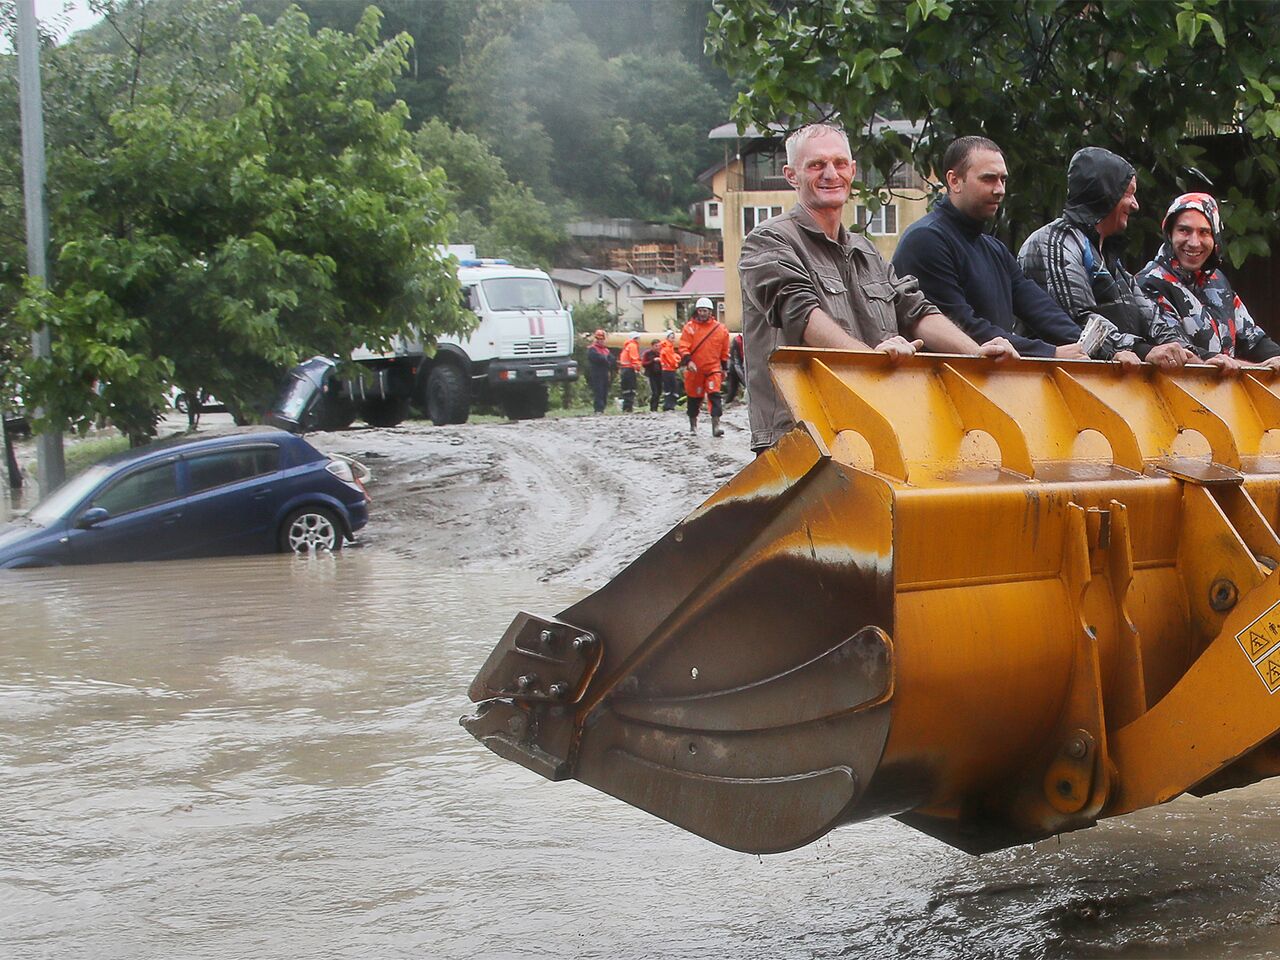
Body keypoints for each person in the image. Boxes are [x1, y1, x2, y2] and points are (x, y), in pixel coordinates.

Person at [739, 123, 1017, 453]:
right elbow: (800, 314)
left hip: (868, 432)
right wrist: (870, 360)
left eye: (840, 163)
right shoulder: (767, 242)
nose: (831, 174)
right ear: (791, 175)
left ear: (853, 171)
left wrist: (974, 352)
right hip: (799, 439)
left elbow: (915, 311)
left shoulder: (866, 251)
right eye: (816, 165)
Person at [892, 136, 1097, 362]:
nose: (999, 190)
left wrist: (1090, 347)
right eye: (988, 179)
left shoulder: (993, 248)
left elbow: (1040, 308)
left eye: (1003, 180)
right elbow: (960, 326)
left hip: (991, 384)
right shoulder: (925, 240)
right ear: (954, 181)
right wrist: (1050, 353)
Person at [1019, 147, 1189, 370]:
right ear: (1105, 193)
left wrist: (1191, 354)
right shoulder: (1055, 242)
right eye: (1128, 193)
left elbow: (1151, 316)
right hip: (1055, 384)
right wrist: (1142, 351)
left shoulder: (1107, 256)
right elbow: (1077, 321)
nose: (1136, 204)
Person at [1136, 193, 1280, 372]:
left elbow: (1254, 338)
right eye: (1184, 230)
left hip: (1226, 392)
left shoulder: (1217, 280)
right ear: (1169, 233)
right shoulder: (1149, 283)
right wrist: (1259, 368)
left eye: (1204, 232)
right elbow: (1183, 353)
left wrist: (1276, 359)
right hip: (1178, 392)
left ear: (1215, 237)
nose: (1194, 242)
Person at [678, 297, 731, 436]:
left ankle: (716, 426)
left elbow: (725, 351)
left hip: (713, 369)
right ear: (697, 311)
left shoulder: (720, 329)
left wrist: (724, 367)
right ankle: (693, 426)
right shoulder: (689, 328)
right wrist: (689, 361)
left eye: (705, 310)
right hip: (694, 370)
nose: (702, 313)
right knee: (694, 398)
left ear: (710, 312)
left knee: (715, 396)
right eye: (700, 310)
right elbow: (684, 347)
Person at [585, 329, 614, 414]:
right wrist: (606, 359)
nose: (600, 341)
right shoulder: (592, 349)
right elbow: (598, 358)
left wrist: (606, 360)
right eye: (598, 339)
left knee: (604, 391)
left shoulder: (605, 349)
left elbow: (612, 359)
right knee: (598, 390)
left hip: (605, 372)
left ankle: (603, 408)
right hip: (596, 373)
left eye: (602, 339)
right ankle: (598, 409)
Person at [617, 334, 642, 412]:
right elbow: (634, 358)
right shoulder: (633, 346)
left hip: (624, 369)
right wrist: (638, 368)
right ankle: (628, 408)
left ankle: (626, 407)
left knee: (626, 389)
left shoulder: (626, 346)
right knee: (631, 389)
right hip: (629, 369)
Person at [641, 338, 664, 412]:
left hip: (660, 375)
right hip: (651, 375)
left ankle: (656, 408)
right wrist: (653, 361)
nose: (658, 348)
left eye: (659, 346)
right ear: (652, 346)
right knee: (655, 392)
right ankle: (652, 408)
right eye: (656, 346)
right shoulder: (647, 353)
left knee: (659, 392)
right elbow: (644, 364)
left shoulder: (661, 353)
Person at [659, 331, 680, 411]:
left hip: (668, 370)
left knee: (671, 388)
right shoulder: (667, 348)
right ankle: (669, 405)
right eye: (672, 337)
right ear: (667, 338)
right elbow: (671, 360)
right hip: (668, 370)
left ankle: (670, 405)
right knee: (671, 388)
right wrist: (677, 362)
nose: (673, 339)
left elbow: (673, 357)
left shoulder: (669, 348)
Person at [722, 333, 746, 403]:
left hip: (740, 366)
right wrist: (745, 381)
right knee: (732, 391)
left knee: (732, 392)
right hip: (734, 369)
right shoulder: (737, 342)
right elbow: (736, 363)